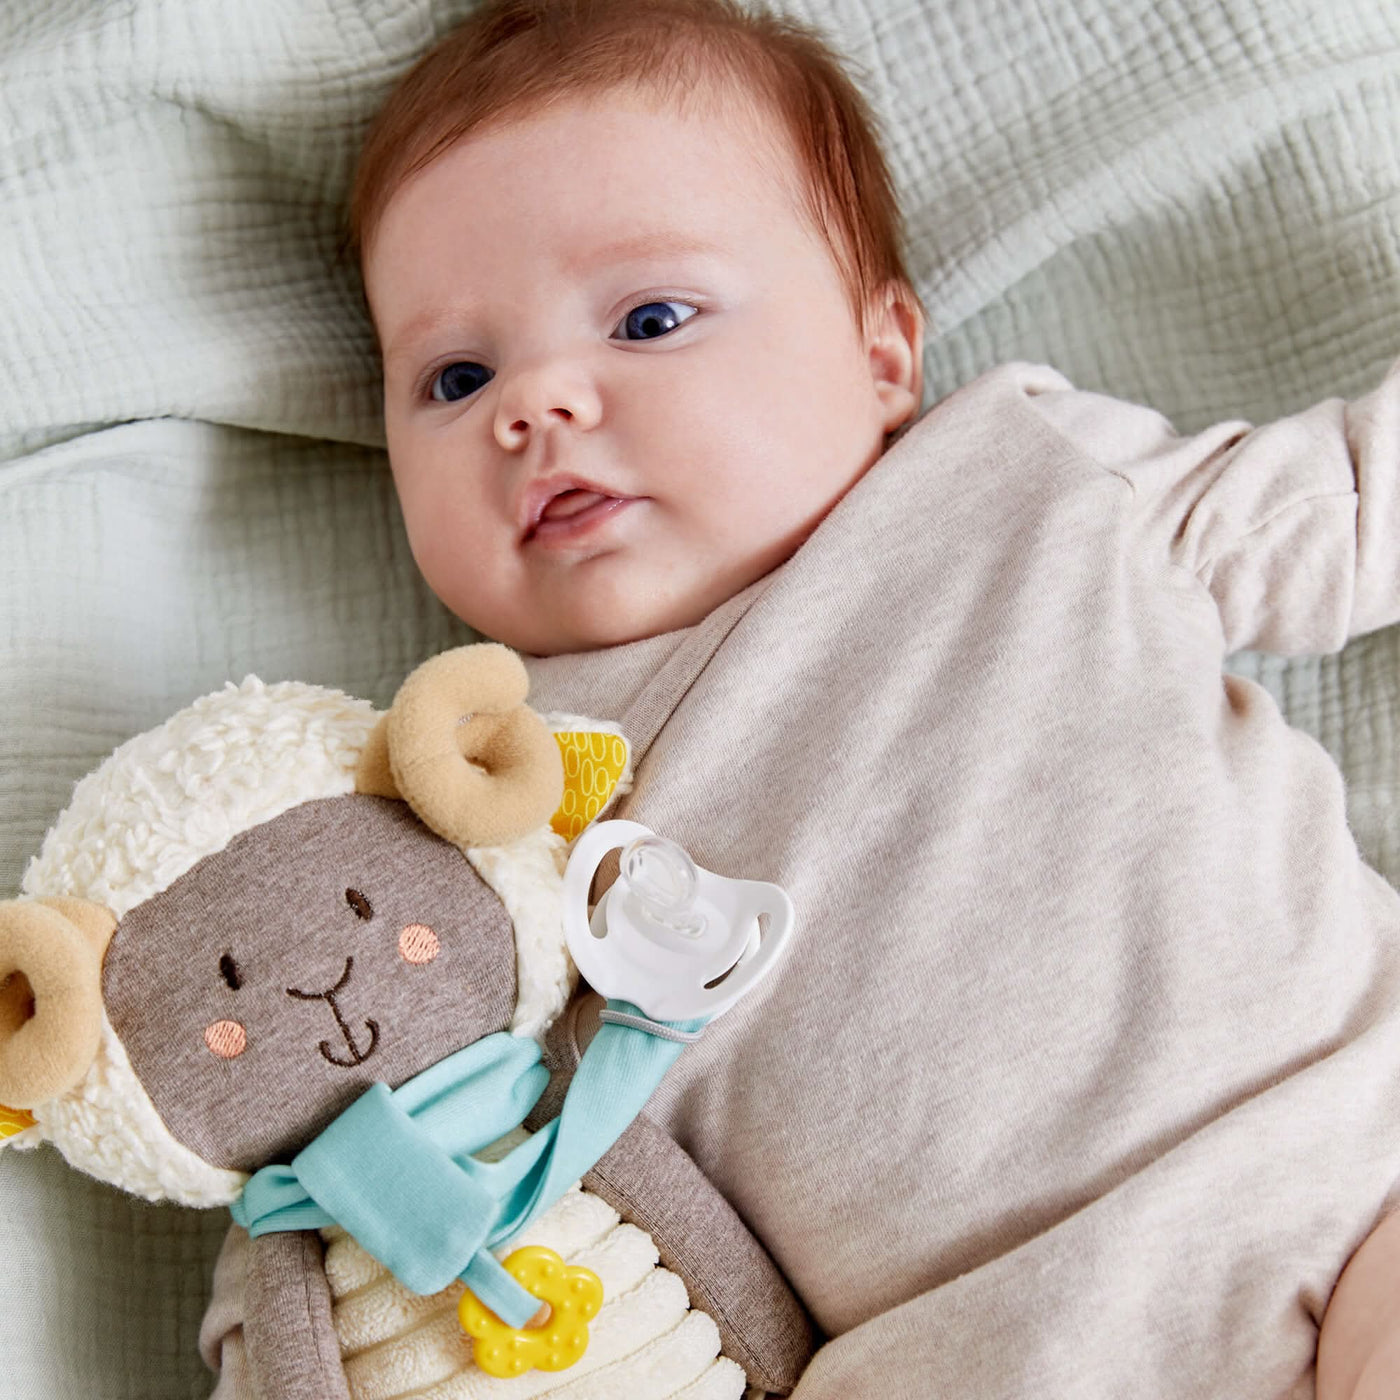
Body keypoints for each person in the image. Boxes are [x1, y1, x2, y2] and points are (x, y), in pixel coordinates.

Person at [209, 0, 1400, 1394]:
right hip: (992, 1350)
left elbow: (1344, 507)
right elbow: (370, 1106)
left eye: (650, 318)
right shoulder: (489, 791)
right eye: (454, 376)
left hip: (1351, 1155)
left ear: (882, 354)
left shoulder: (1024, 485)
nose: (533, 406)